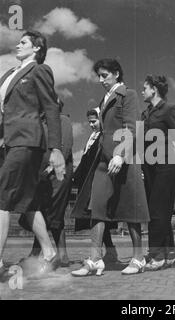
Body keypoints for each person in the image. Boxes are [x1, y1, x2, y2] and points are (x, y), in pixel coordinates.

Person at [71, 58, 149, 276]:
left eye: (104, 75)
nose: (100, 79)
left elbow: (133, 128)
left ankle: (138, 257)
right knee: (97, 207)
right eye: (99, 76)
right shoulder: (104, 99)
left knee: (131, 210)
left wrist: (121, 155)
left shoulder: (129, 94)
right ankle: (95, 259)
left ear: (116, 73)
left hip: (124, 160)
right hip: (103, 162)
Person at [0, 30, 65, 277]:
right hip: (7, 141)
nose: (18, 45)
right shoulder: (8, 74)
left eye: (23, 42)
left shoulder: (39, 70)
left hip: (27, 142)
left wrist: (56, 148)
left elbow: (51, 108)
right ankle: (48, 252)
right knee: (28, 202)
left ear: (37, 48)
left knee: (2, 196)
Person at [141, 75, 175, 271]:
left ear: (154, 89)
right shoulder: (145, 114)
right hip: (150, 168)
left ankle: (157, 255)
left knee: (157, 212)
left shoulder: (169, 109)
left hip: (167, 166)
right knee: (160, 212)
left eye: (145, 88)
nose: (142, 91)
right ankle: (170, 253)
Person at [19, 97, 73, 267]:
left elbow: (64, 147)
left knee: (50, 214)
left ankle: (40, 254)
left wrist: (49, 170)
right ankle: (60, 255)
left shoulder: (62, 120)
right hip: (43, 178)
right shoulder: (44, 123)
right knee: (49, 214)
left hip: (57, 175)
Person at [73, 108, 118, 263]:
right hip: (88, 181)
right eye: (89, 122)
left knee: (98, 216)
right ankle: (109, 252)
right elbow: (84, 161)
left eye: (94, 121)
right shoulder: (92, 138)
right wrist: (74, 177)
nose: (91, 125)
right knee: (96, 217)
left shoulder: (103, 137)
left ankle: (102, 254)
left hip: (97, 181)